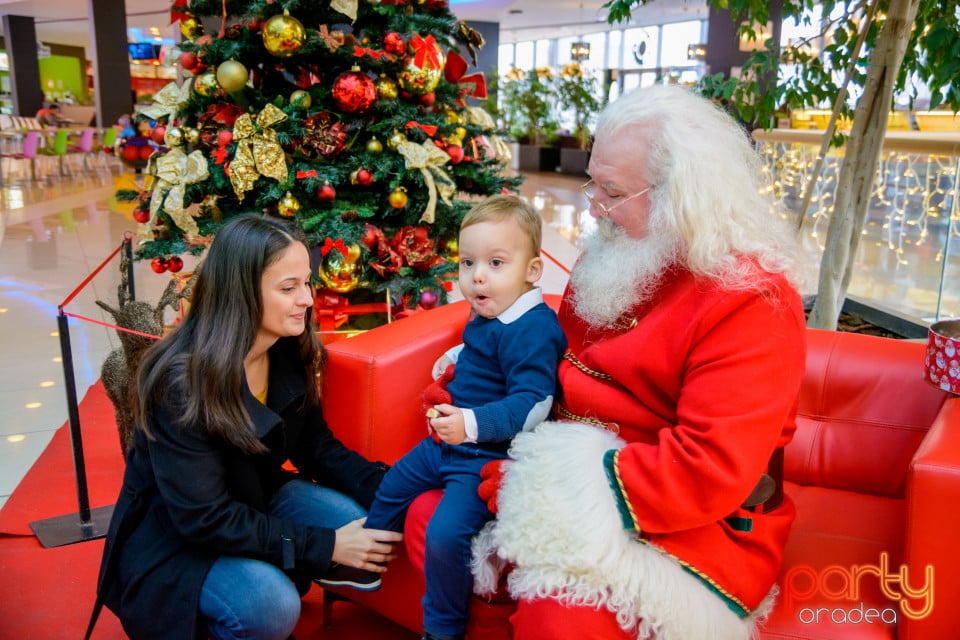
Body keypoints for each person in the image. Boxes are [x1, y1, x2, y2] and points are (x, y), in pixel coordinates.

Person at [472, 84, 807, 640]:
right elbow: (557, 365)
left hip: (686, 519)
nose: (592, 205)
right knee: (430, 517)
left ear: (685, 194)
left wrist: (540, 487)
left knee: (557, 612)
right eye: (593, 183)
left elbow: (706, 469)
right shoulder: (617, 251)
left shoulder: (753, 298)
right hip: (560, 469)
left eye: (611, 191)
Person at [86, 214, 403, 640]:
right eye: (288, 288)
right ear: (240, 293)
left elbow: (316, 448)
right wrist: (321, 546)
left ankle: (270, 563)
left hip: (253, 498)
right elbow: (203, 517)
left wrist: (396, 488)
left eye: (306, 283)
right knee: (271, 606)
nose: (308, 299)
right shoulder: (180, 381)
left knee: (358, 520)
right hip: (176, 536)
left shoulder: (286, 345)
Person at [326, 195, 567, 640]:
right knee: (393, 484)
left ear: (532, 271)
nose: (477, 276)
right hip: (446, 444)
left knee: (445, 535)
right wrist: (458, 354)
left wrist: (470, 423)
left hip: (483, 457)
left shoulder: (533, 329)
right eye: (467, 262)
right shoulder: (489, 309)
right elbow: (486, 352)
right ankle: (368, 568)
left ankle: (443, 628)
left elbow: (533, 403)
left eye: (496, 262)